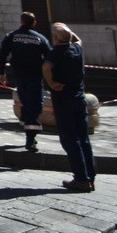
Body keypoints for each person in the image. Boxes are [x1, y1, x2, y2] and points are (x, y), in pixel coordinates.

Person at [43, 22, 96, 192]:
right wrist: (67, 31)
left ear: (55, 38)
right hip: (79, 99)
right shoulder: (76, 49)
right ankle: (90, 177)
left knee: (70, 139)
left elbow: (46, 67)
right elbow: (79, 40)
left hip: (63, 100)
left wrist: (51, 83)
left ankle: (81, 178)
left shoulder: (56, 52)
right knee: (84, 139)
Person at [0, 11, 50, 152]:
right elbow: (50, 58)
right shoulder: (41, 39)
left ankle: (26, 117)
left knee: (28, 102)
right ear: (34, 23)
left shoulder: (11, 36)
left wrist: (1, 72)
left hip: (19, 75)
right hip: (35, 75)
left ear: (21, 22)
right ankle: (30, 139)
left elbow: (2, 54)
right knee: (36, 104)